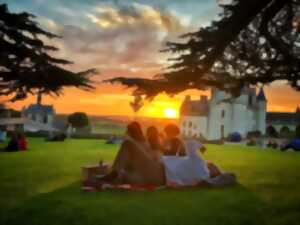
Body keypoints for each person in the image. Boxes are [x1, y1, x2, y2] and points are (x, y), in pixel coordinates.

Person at [93, 122, 165, 186]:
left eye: (127, 132)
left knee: (127, 143)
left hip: (151, 174)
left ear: (131, 133)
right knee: (121, 177)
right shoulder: (140, 146)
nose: (126, 133)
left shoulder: (146, 144)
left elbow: (155, 159)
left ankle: (113, 173)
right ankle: (113, 174)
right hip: (142, 177)